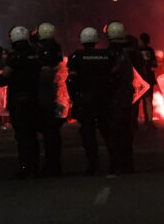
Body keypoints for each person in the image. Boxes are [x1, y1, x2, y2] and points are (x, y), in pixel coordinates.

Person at [0, 25, 46, 178]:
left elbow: (4, 78)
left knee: (22, 135)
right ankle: (36, 167)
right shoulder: (37, 54)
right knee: (33, 135)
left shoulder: (14, 56)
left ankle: (25, 167)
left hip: (18, 99)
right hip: (35, 98)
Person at [66, 26, 114, 175]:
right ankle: (115, 162)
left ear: (81, 40)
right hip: (104, 100)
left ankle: (93, 165)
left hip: (85, 101)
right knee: (107, 132)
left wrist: (74, 99)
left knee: (88, 134)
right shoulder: (107, 55)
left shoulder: (76, 57)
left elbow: (71, 81)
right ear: (96, 40)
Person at [105, 21, 136, 174]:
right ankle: (128, 164)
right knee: (127, 132)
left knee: (115, 132)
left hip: (113, 97)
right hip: (129, 95)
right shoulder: (133, 52)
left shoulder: (109, 53)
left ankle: (116, 164)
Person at [36, 22, 65, 176]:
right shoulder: (56, 48)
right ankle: (55, 164)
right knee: (54, 132)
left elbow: (44, 72)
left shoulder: (45, 50)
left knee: (49, 133)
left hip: (47, 98)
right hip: (57, 96)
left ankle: (51, 166)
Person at [136, 33, 159, 130]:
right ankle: (148, 120)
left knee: (146, 100)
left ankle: (149, 120)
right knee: (144, 100)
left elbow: (155, 63)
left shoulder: (138, 50)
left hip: (144, 78)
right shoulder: (146, 50)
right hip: (142, 78)